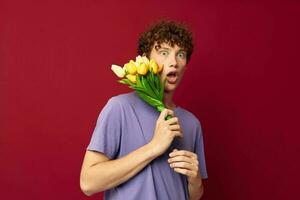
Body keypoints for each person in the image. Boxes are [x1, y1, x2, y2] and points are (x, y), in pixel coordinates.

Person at [80, 19, 208, 200]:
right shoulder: (120, 109)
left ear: (186, 65)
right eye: (164, 52)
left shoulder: (191, 123)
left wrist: (195, 181)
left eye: (181, 54)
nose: (174, 62)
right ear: (146, 60)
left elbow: (193, 196)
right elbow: (88, 183)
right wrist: (154, 147)